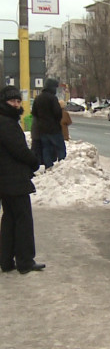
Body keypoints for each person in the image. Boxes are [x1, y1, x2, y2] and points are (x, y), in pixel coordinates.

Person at [0, 85, 45, 274]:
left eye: (18, 101)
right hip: (13, 179)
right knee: (23, 219)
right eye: (12, 101)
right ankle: (25, 261)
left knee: (10, 218)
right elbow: (18, 149)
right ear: (4, 102)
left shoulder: (6, 120)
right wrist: (34, 162)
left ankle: (6, 260)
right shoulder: (6, 122)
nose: (16, 104)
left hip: (6, 179)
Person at [32, 78, 65, 168]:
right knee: (60, 148)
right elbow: (58, 113)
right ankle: (63, 165)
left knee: (46, 148)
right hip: (54, 129)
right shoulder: (52, 98)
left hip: (42, 129)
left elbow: (34, 113)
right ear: (52, 87)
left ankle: (48, 166)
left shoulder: (38, 98)